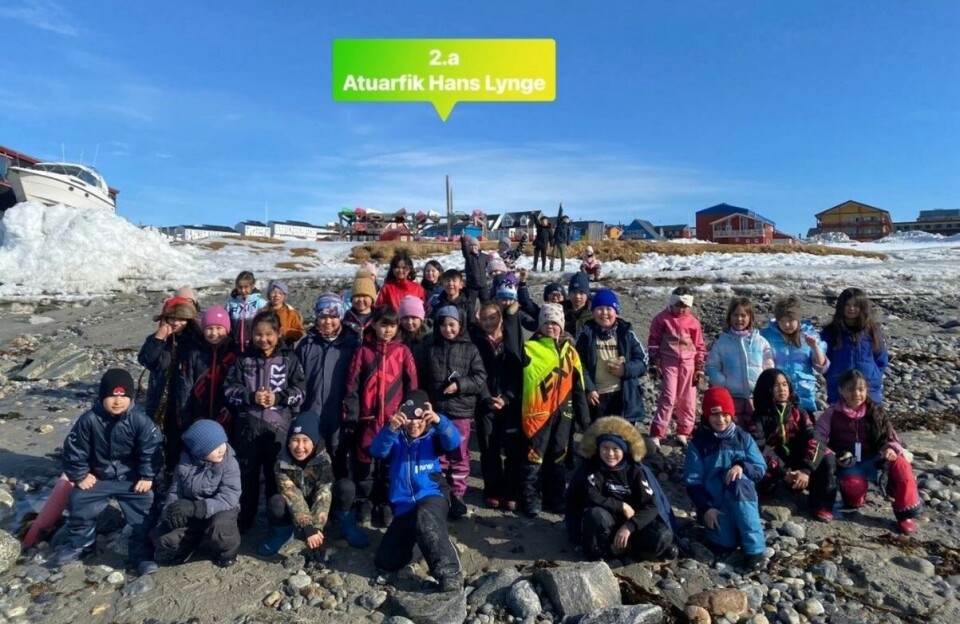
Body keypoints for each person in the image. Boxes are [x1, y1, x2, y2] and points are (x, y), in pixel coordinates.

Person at [54, 369, 162, 575]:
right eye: (112, 396)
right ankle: (82, 544)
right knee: (79, 501)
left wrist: (147, 475)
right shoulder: (89, 420)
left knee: (145, 512)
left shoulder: (139, 420)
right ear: (102, 396)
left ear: (130, 398)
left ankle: (142, 553)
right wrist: (80, 475)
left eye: (123, 396)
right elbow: (74, 450)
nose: (117, 401)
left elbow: (152, 449)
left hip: (131, 478)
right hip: (99, 477)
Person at [369, 390, 464, 592]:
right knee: (385, 561)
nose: (414, 423)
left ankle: (450, 572)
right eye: (409, 418)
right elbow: (377, 451)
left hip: (432, 495)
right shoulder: (396, 437)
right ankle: (430, 545)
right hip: (404, 505)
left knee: (425, 516)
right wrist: (391, 428)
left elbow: (454, 441)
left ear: (426, 418)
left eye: (419, 419)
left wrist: (440, 421)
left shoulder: (433, 436)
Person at [225, 310, 305, 533]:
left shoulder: (289, 359)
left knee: (275, 478)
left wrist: (278, 397)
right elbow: (229, 390)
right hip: (247, 429)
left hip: (279, 429)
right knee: (246, 476)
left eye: (269, 334)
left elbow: (301, 391)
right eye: (258, 334)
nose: (263, 339)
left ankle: (277, 523)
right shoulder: (243, 359)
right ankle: (244, 520)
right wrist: (250, 397)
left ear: (279, 333)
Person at [815, 370, 923, 534]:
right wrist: (834, 455)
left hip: (875, 459)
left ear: (866, 391)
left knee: (901, 464)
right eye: (850, 389)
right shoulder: (831, 414)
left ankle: (905, 514)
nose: (856, 394)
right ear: (841, 390)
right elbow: (818, 439)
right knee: (854, 495)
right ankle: (854, 497)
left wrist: (890, 449)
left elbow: (892, 438)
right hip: (849, 464)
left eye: (861, 389)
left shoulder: (876, 412)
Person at [343, 305, 418, 527]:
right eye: (383, 324)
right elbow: (351, 385)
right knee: (365, 466)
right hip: (367, 421)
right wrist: (353, 415)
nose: (387, 330)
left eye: (392, 325)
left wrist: (408, 414)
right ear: (373, 324)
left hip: (394, 421)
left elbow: (412, 385)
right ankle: (364, 502)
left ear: (397, 328)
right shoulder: (362, 351)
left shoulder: (403, 351)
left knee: (389, 467)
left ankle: (385, 504)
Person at [565, 416, 679, 562]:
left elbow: (651, 506)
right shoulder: (593, 469)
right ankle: (601, 553)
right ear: (598, 449)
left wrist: (629, 526)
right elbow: (590, 496)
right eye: (605, 448)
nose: (610, 454)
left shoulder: (635, 471)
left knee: (662, 535)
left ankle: (630, 550)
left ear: (624, 450)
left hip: (632, 524)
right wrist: (621, 506)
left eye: (615, 449)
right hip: (606, 523)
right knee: (595, 514)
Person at [259, 411, 369, 556]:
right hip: (295, 506)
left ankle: (348, 527)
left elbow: (324, 491)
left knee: (346, 487)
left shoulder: (323, 460)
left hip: (317, 503)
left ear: (314, 441)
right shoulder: (282, 463)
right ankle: (283, 534)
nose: (299, 446)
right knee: (276, 502)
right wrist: (307, 526)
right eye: (295, 440)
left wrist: (316, 527)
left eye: (305, 440)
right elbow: (292, 494)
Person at [683, 387, 767, 571]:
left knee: (739, 485)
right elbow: (692, 480)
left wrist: (742, 466)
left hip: (742, 498)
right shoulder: (699, 443)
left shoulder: (743, 438)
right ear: (707, 416)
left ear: (731, 414)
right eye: (715, 415)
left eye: (725, 414)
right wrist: (705, 509)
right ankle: (731, 535)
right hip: (716, 507)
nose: (720, 420)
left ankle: (755, 550)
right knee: (724, 544)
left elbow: (760, 468)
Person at [520, 303, 589, 517]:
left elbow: (579, 388)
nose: (551, 327)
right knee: (534, 457)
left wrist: (585, 420)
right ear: (539, 326)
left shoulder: (571, 353)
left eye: (555, 323)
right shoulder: (529, 349)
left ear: (562, 326)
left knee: (558, 457)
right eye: (546, 323)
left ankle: (555, 498)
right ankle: (530, 497)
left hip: (563, 414)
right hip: (536, 414)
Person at [422, 305, 487, 519]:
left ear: (460, 325)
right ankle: (440, 494)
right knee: (438, 454)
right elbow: (424, 378)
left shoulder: (470, 349)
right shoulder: (432, 348)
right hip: (438, 411)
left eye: (452, 325)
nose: (447, 329)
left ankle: (458, 494)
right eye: (443, 324)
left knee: (458, 454)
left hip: (461, 412)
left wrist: (460, 384)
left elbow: (479, 377)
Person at [748, 369, 836, 521]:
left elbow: (814, 439)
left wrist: (806, 470)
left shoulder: (799, 412)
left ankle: (821, 504)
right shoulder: (758, 417)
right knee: (754, 463)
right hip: (777, 465)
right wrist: (785, 473)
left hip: (799, 460)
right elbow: (760, 447)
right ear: (766, 389)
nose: (781, 389)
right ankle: (770, 493)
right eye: (776, 386)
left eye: (784, 385)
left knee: (827, 456)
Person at [151, 420, 241, 567]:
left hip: (220, 509)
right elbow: (174, 491)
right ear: (199, 451)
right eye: (213, 447)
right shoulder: (183, 465)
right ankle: (188, 546)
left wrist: (197, 508)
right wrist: (170, 511)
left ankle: (227, 551)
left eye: (222, 443)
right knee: (163, 536)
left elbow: (229, 496)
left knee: (221, 529)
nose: (221, 450)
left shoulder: (229, 463)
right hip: (191, 511)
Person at [295, 293, 359, 480]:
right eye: (323, 317)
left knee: (338, 456)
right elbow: (297, 379)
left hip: (339, 411)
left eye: (333, 316)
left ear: (340, 317)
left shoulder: (352, 343)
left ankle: (339, 503)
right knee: (312, 456)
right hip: (312, 410)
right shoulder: (307, 344)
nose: (327, 322)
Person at [470, 302, 524, 511]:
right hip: (485, 404)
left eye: (492, 317)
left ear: (501, 318)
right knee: (488, 449)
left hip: (509, 404)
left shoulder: (511, 341)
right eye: (484, 319)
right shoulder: (476, 343)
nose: (489, 322)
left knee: (512, 450)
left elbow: (518, 372)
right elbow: (476, 373)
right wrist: (486, 397)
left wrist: (508, 397)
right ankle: (492, 490)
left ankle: (511, 491)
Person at [138, 296, 201, 469]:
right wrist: (158, 339)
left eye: (181, 319)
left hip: (185, 401)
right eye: (171, 318)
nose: (175, 323)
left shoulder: (195, 342)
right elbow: (146, 361)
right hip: (159, 401)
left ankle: (176, 473)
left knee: (179, 441)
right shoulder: (158, 339)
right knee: (155, 440)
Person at [575, 289, 648, 425]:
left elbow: (643, 360)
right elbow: (578, 363)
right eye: (599, 309)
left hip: (622, 394)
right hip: (597, 396)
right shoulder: (586, 333)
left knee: (621, 437)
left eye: (609, 308)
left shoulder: (626, 332)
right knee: (598, 436)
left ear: (616, 311)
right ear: (593, 312)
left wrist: (625, 369)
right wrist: (589, 388)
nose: (604, 313)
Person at [647, 287, 706, 448]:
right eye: (678, 305)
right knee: (668, 396)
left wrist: (699, 366)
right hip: (669, 361)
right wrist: (654, 361)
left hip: (688, 364)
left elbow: (699, 345)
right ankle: (657, 432)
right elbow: (654, 340)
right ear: (672, 303)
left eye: (684, 306)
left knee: (688, 399)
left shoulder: (693, 322)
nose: (681, 309)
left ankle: (684, 431)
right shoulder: (662, 319)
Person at [705, 297, 775, 422]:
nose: (739, 319)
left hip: (756, 396)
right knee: (735, 430)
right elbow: (712, 366)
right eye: (735, 315)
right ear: (729, 317)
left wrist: (765, 385)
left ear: (750, 317)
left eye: (743, 315)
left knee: (757, 430)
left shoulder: (760, 342)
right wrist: (723, 383)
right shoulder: (721, 343)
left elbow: (769, 366)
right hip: (731, 396)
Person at [760, 296, 829, 413]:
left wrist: (815, 347)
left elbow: (822, 366)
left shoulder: (808, 335)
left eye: (791, 320)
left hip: (804, 393)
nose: (787, 325)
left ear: (798, 319)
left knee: (805, 428)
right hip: (779, 393)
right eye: (782, 321)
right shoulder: (766, 336)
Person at [820, 288, 889, 404]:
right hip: (840, 388)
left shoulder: (872, 331)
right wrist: (832, 375)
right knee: (841, 420)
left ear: (863, 307)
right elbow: (823, 360)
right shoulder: (830, 332)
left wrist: (874, 374)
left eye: (856, 305)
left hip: (868, 388)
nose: (851, 309)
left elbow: (881, 358)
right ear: (841, 306)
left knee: (869, 420)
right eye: (847, 305)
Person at [176, 305, 237, 433]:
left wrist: (233, 412)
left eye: (219, 328)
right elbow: (185, 387)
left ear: (227, 329)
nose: (214, 333)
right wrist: (186, 417)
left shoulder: (234, 353)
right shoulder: (194, 353)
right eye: (209, 328)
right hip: (199, 414)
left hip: (226, 414)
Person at [225, 270, 268, 353]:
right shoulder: (231, 304)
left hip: (255, 345)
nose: (243, 290)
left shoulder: (261, 303)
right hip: (235, 345)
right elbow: (226, 323)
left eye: (246, 287)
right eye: (240, 287)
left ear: (252, 286)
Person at [265, 279, 305, 344]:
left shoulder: (291, 312)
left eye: (280, 293)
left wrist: (286, 333)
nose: (277, 295)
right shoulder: (263, 312)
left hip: (285, 346)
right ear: (269, 294)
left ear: (284, 296)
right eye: (273, 292)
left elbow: (299, 331)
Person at [398, 294, 431, 371]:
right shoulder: (397, 338)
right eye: (405, 318)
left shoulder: (429, 338)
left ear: (421, 319)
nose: (409, 322)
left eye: (414, 318)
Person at [343, 269, 378, 335]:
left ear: (372, 299)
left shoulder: (378, 316)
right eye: (357, 296)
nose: (361, 299)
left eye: (365, 296)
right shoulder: (347, 317)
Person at [460, 235, 489, 309]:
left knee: (486, 304)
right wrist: (463, 240)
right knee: (470, 305)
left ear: (478, 246)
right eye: (471, 246)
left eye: (475, 245)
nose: (473, 247)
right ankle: (470, 319)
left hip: (483, 285)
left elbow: (491, 264)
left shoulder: (484, 256)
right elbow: (464, 249)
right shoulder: (468, 256)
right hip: (472, 286)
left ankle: (486, 318)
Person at [565, 272, 594, 338]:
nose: (577, 296)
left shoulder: (594, 313)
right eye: (574, 292)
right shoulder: (561, 311)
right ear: (569, 294)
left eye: (581, 293)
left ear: (587, 295)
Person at [550, 204, 571, 271]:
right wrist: (560, 208)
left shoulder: (568, 226)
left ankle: (562, 268)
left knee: (562, 256)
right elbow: (559, 215)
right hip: (556, 242)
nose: (567, 220)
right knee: (553, 255)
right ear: (563, 219)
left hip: (563, 243)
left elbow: (568, 235)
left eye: (568, 219)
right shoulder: (559, 223)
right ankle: (551, 267)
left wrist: (568, 242)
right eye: (565, 219)